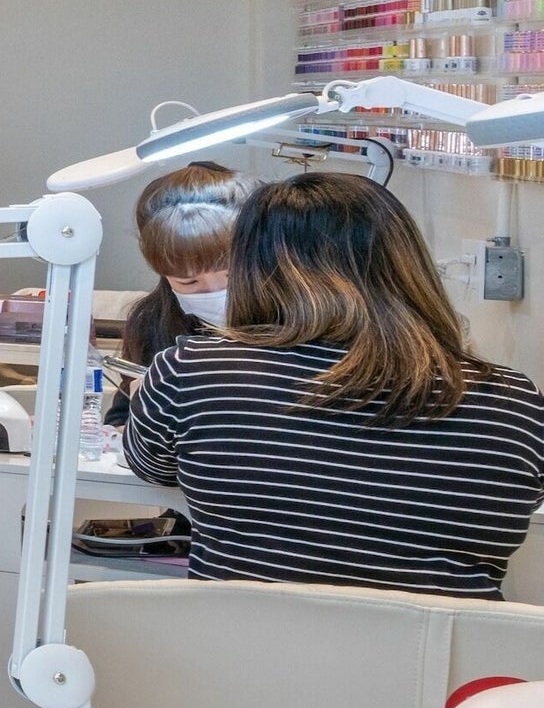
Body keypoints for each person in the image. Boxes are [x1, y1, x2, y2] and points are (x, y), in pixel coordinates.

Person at [125, 173, 544, 596]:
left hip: (245, 649)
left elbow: (153, 468)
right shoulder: (514, 402)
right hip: (440, 658)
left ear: (253, 266)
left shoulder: (190, 370)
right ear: (408, 263)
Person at [115, 162, 249, 366]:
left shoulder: (293, 315)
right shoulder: (151, 324)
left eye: (230, 276)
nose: (214, 292)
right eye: (189, 282)